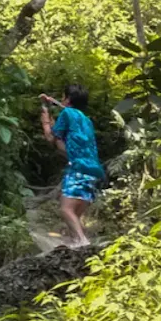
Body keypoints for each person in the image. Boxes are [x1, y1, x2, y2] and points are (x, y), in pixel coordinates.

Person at [39, 84, 104, 248]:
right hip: (94, 171)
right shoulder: (86, 120)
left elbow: (51, 138)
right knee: (74, 216)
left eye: (63, 97)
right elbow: (62, 138)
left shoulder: (67, 113)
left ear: (68, 99)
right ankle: (77, 245)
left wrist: (45, 118)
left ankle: (83, 243)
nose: (61, 100)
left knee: (66, 209)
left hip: (79, 168)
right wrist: (52, 104)